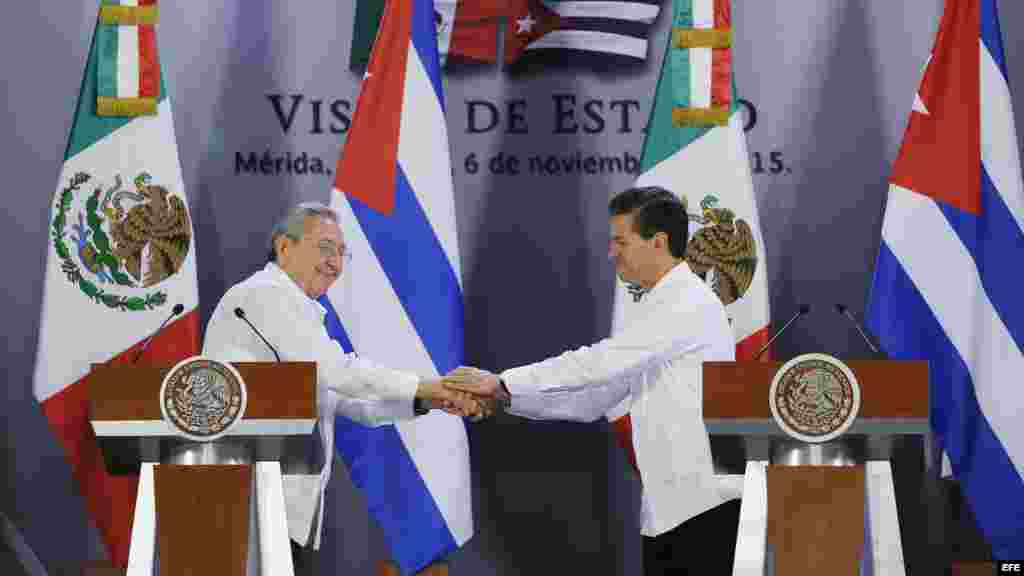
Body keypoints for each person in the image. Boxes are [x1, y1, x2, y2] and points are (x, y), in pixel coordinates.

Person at [445, 186, 743, 575]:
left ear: (658, 242)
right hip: (671, 512)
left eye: (621, 240)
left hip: (704, 511)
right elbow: (597, 397)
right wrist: (507, 397)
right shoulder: (661, 307)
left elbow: (597, 364)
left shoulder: (688, 303)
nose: (611, 252)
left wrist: (503, 382)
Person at [202, 202, 482, 573]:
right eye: (325, 248)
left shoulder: (300, 312)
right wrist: (426, 386)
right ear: (285, 247)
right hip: (245, 496)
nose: (335, 263)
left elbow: (351, 402)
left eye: (341, 253)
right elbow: (338, 371)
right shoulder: (263, 295)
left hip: (279, 502)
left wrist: (427, 399)